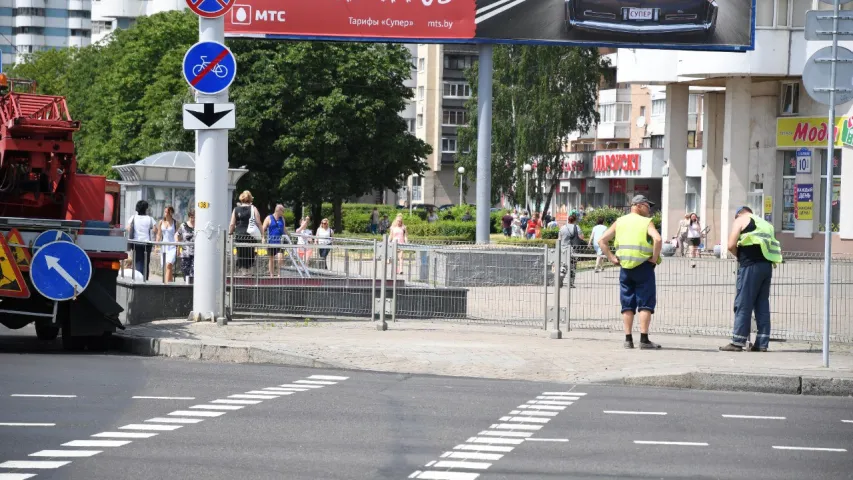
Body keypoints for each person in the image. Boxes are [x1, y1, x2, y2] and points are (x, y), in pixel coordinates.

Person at [597, 195, 663, 350]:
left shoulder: (620, 221)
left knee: (627, 304)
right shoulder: (646, 222)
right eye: (648, 206)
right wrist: (654, 259)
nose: (649, 209)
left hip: (625, 268)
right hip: (644, 268)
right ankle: (644, 340)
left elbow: (602, 241)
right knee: (645, 303)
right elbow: (658, 240)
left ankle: (628, 340)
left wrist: (612, 257)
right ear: (639, 206)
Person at [719, 206, 782, 352]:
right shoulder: (766, 224)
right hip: (766, 266)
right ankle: (762, 343)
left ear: (738, 214)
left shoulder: (741, 219)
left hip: (750, 265)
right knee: (762, 304)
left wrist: (739, 256)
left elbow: (731, 245)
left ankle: (737, 341)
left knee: (743, 303)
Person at [229, 190, 262, 276]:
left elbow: (232, 224)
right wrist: (262, 235)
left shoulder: (236, 209)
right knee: (250, 253)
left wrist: (230, 233)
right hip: (250, 236)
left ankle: (243, 271)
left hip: (239, 235)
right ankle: (250, 271)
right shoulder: (253, 209)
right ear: (250, 199)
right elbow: (258, 222)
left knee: (241, 253)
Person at [126, 200, 158, 280]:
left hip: (136, 243)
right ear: (146, 209)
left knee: (138, 262)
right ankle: (145, 279)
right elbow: (155, 230)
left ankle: (139, 279)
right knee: (146, 263)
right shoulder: (150, 219)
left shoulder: (133, 217)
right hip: (147, 243)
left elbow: (128, 228)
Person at [559, 214, 585, 288]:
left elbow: (559, 239)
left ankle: (561, 275)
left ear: (568, 220)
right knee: (572, 266)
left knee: (563, 264)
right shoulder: (576, 227)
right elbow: (581, 237)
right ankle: (570, 283)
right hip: (573, 249)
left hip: (563, 249)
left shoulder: (562, 227)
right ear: (574, 220)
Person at [262, 204, 287, 277]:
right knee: (271, 258)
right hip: (271, 242)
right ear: (278, 210)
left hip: (280, 242)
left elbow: (284, 229)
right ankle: (271, 275)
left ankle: (279, 274)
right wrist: (263, 238)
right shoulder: (269, 218)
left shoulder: (282, 219)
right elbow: (263, 229)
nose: (283, 212)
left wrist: (289, 236)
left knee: (280, 258)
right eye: (283, 211)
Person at [156, 206, 177, 283]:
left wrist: (178, 248)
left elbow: (178, 235)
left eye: (166, 212)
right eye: (164, 212)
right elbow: (159, 234)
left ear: (171, 213)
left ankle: (165, 285)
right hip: (164, 247)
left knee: (169, 265)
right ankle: (170, 283)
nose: (165, 213)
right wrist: (156, 246)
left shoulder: (175, 223)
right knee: (166, 267)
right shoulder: (161, 222)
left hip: (172, 247)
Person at [176, 208, 196, 285]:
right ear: (189, 217)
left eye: (194, 217)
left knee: (193, 275)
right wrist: (178, 245)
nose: (193, 219)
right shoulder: (183, 225)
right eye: (192, 217)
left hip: (196, 255)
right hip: (185, 254)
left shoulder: (199, 226)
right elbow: (177, 235)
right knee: (185, 274)